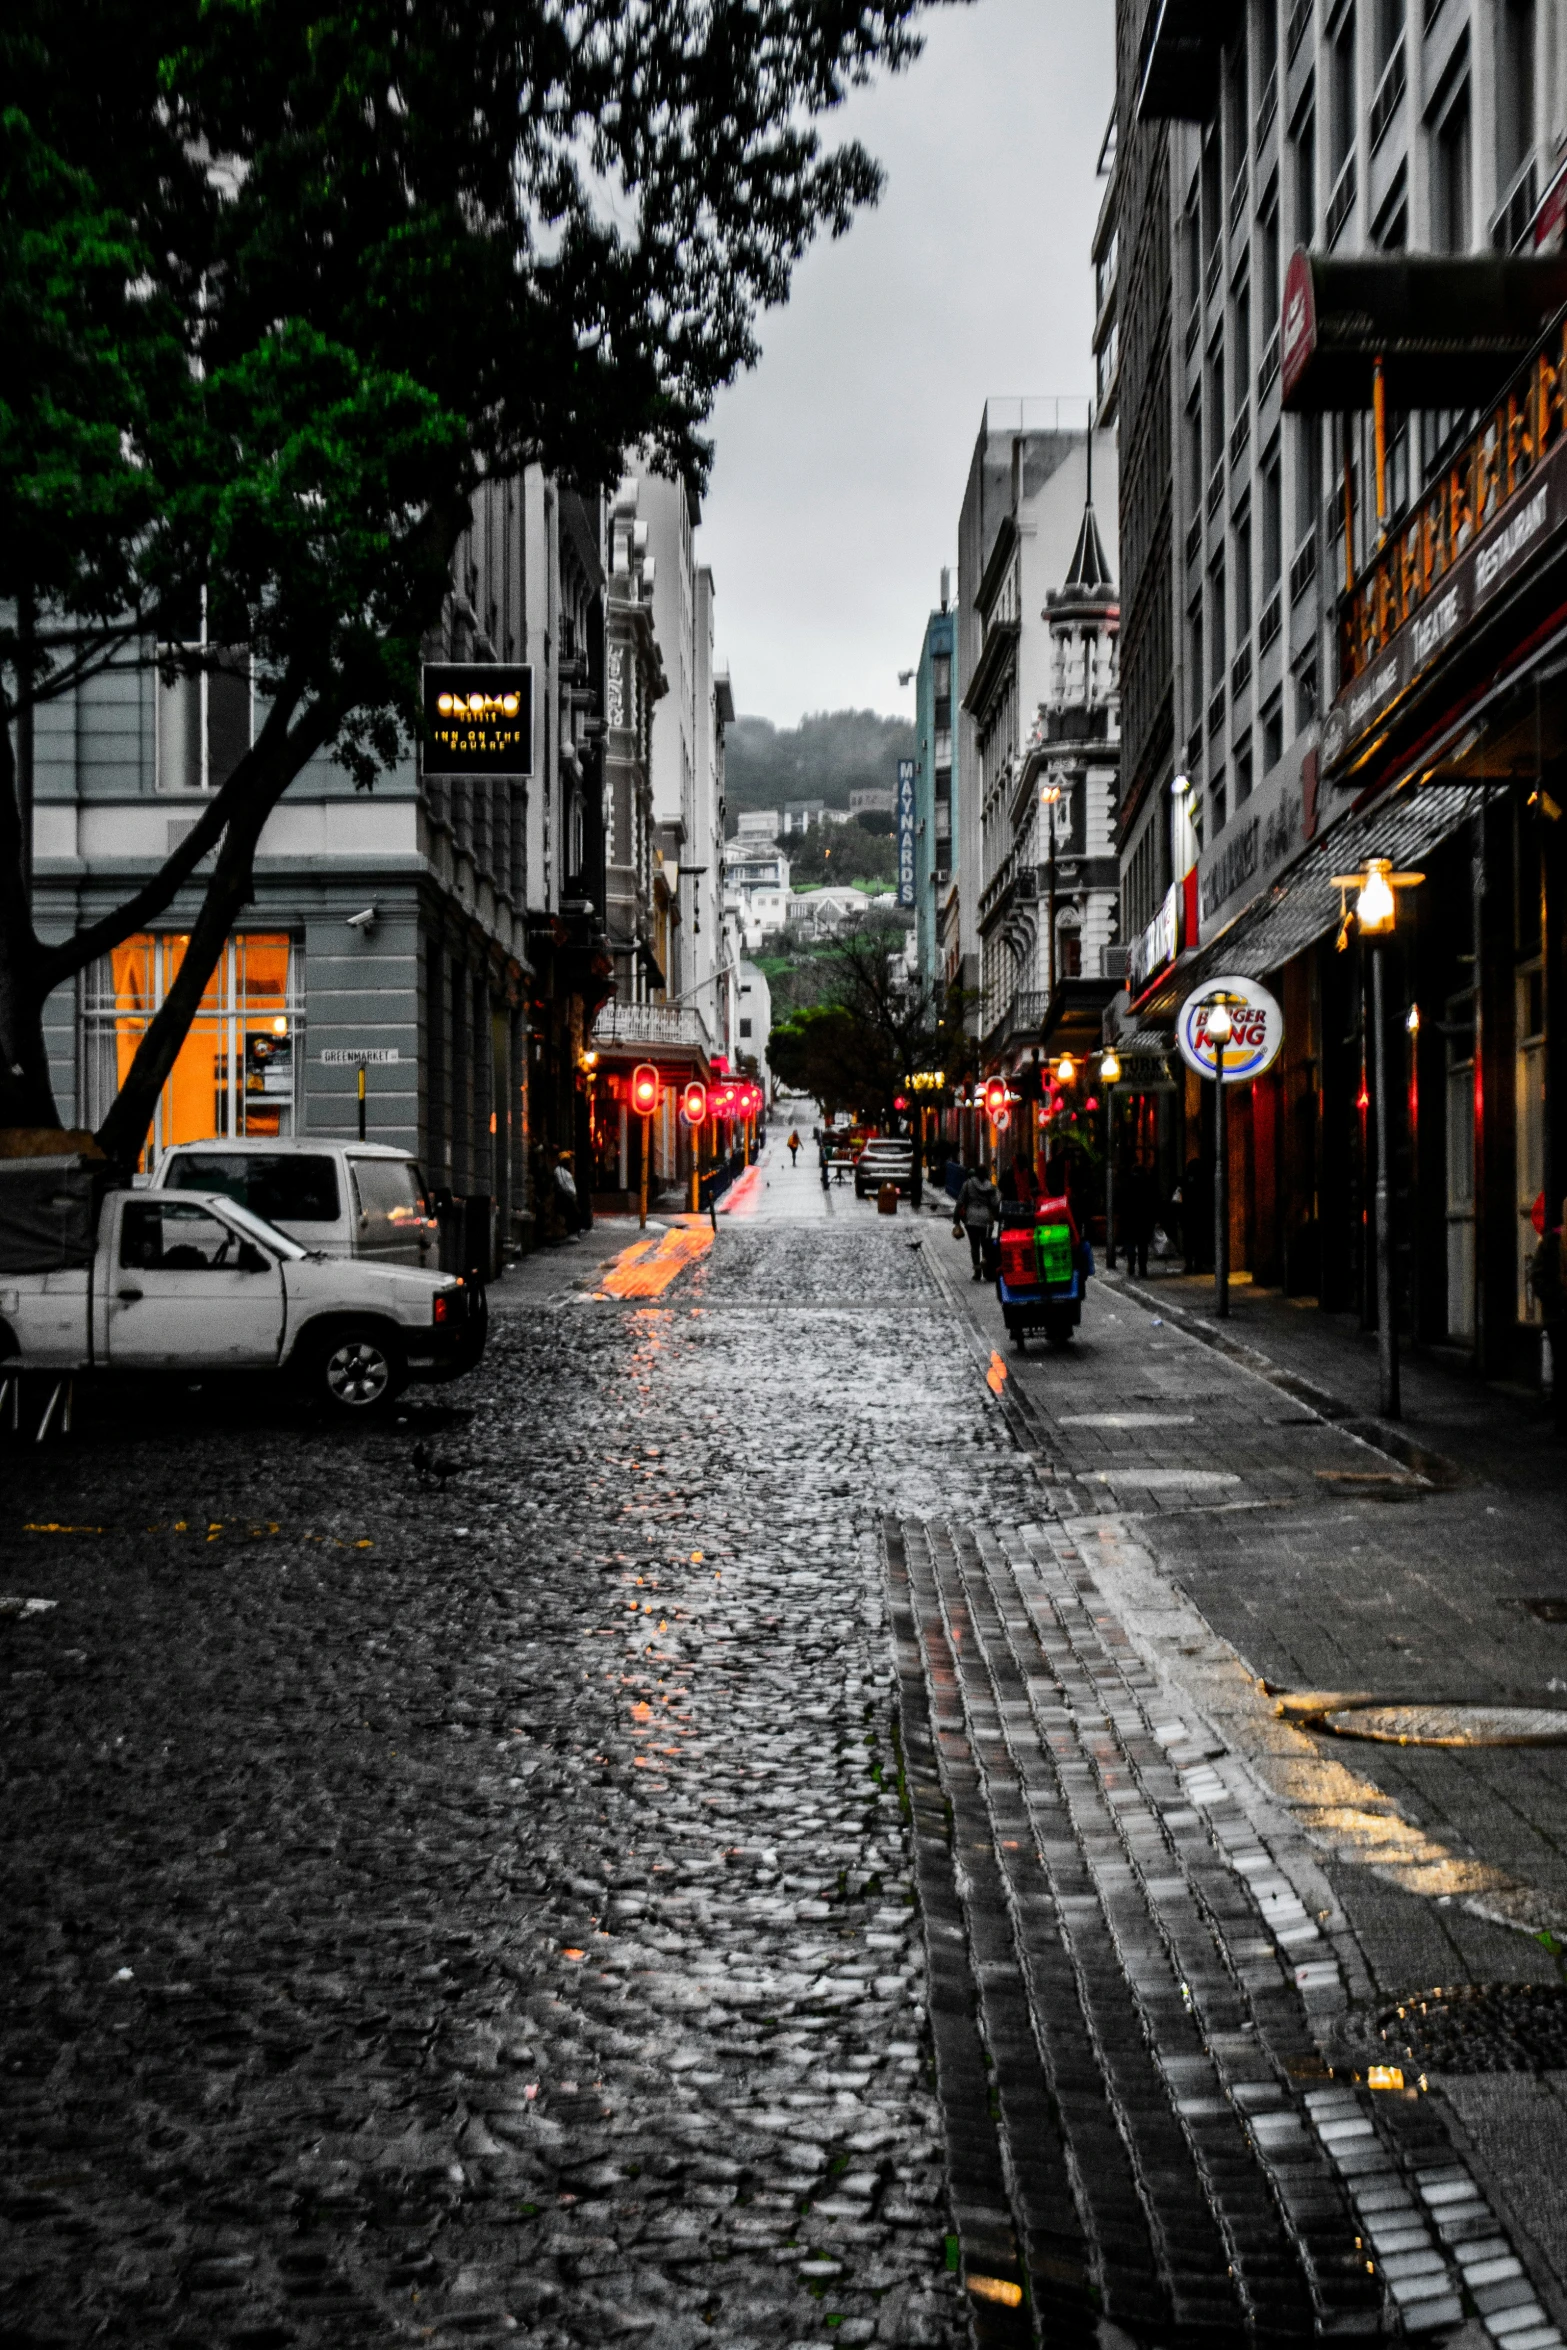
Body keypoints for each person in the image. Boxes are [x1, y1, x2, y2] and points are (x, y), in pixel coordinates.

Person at [1533, 1197, 1567, 1438]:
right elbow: (1539, 1279)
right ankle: (1562, 1423)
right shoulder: (1552, 1241)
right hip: (1560, 1319)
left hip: (1558, 1317)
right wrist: (1560, 1299)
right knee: (1563, 1370)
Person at [953, 1165, 1001, 1281]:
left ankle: (977, 1272)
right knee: (985, 1246)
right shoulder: (990, 1186)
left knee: (974, 1246)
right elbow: (995, 1203)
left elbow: (960, 1202)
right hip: (985, 1219)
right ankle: (986, 1270)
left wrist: (956, 1219)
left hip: (971, 1217)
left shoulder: (968, 1184)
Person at [1121, 1151, 1159, 1279]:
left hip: (1130, 1218)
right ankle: (1142, 1268)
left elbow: (1121, 1200)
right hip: (1144, 1218)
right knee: (1143, 1244)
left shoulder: (1127, 1182)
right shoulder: (1148, 1182)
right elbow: (1153, 1200)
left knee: (1130, 1242)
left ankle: (1131, 1265)